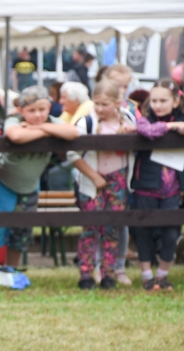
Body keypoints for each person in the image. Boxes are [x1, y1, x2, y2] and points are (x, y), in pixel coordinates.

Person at [0, 86, 80, 267]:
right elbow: (15, 135)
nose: (38, 114)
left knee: (22, 230)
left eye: (42, 110)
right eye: (32, 111)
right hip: (6, 183)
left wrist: (40, 127)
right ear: (21, 110)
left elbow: (74, 132)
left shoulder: (51, 121)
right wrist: (48, 131)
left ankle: (12, 269)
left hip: (31, 186)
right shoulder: (14, 119)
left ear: (49, 108)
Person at [67, 79, 137, 290]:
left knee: (111, 228)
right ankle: (86, 274)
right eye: (96, 103)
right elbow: (72, 154)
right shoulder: (86, 123)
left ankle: (108, 273)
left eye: (104, 104)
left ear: (118, 102)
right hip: (92, 181)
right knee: (91, 227)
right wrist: (94, 177)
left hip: (119, 180)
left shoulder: (128, 120)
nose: (99, 109)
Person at [133, 79, 184, 291]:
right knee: (144, 232)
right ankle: (147, 275)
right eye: (154, 100)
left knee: (171, 233)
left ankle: (163, 276)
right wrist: (172, 126)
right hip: (146, 186)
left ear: (175, 101)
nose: (158, 105)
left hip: (173, 189)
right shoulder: (144, 119)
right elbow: (147, 132)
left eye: (163, 101)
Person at [103, 63, 140, 285]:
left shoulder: (131, 109)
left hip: (122, 173)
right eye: (118, 84)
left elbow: (141, 127)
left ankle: (119, 266)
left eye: (126, 85)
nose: (122, 89)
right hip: (96, 173)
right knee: (96, 221)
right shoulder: (94, 107)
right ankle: (99, 264)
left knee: (121, 221)